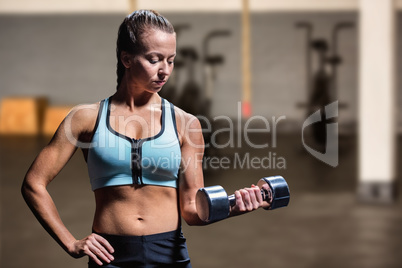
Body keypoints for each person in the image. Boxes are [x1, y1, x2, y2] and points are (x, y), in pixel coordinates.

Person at [21, 10, 269, 267]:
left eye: (171, 60)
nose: (165, 71)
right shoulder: (85, 118)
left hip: (169, 255)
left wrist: (233, 206)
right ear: (126, 59)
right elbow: (33, 184)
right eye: (154, 59)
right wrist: (70, 243)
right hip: (110, 257)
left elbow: (192, 211)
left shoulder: (186, 124)